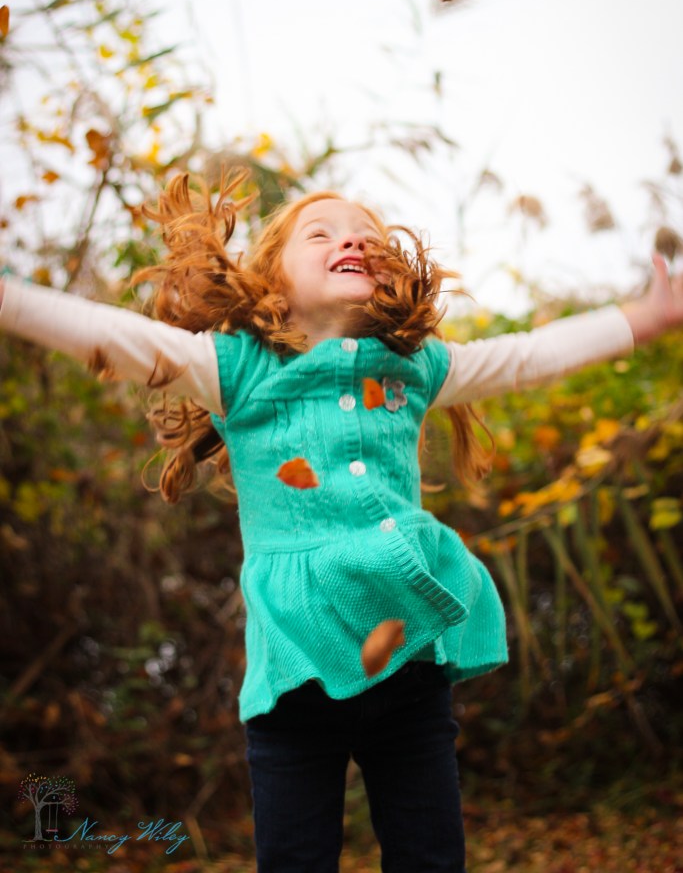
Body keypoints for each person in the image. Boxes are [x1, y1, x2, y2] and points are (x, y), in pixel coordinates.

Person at [1, 172, 681, 873]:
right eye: (319, 233)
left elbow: (526, 356)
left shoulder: (413, 367)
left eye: (365, 234)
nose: (350, 238)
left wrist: (641, 318)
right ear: (274, 280)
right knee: (295, 859)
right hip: (294, 671)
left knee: (429, 856)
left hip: (407, 657)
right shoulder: (233, 368)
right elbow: (111, 336)